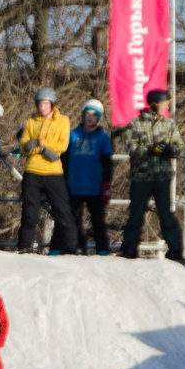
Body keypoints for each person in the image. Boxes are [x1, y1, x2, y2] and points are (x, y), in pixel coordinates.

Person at [119, 89, 184, 260]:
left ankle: (176, 250)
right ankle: (129, 249)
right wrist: (149, 150)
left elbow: (178, 145)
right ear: (155, 106)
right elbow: (130, 147)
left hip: (162, 176)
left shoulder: (168, 124)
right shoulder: (136, 124)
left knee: (165, 213)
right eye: (164, 105)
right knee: (135, 214)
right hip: (141, 177)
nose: (166, 108)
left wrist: (169, 150)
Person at [17, 87, 79, 254]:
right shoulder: (31, 122)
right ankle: (24, 247)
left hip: (53, 173)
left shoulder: (63, 121)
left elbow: (62, 146)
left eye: (45, 104)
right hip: (32, 171)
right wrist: (40, 148)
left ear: (52, 105)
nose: (42, 107)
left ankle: (71, 247)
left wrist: (42, 147)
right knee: (29, 213)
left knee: (62, 211)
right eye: (40, 104)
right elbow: (24, 146)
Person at [63, 99, 114, 255]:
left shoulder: (103, 138)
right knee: (74, 220)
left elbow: (107, 164)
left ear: (98, 118)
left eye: (94, 115)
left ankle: (102, 249)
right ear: (83, 115)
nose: (90, 117)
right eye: (88, 114)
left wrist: (106, 184)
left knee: (98, 220)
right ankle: (78, 247)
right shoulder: (72, 135)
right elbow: (65, 160)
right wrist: (64, 181)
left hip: (95, 186)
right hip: (75, 185)